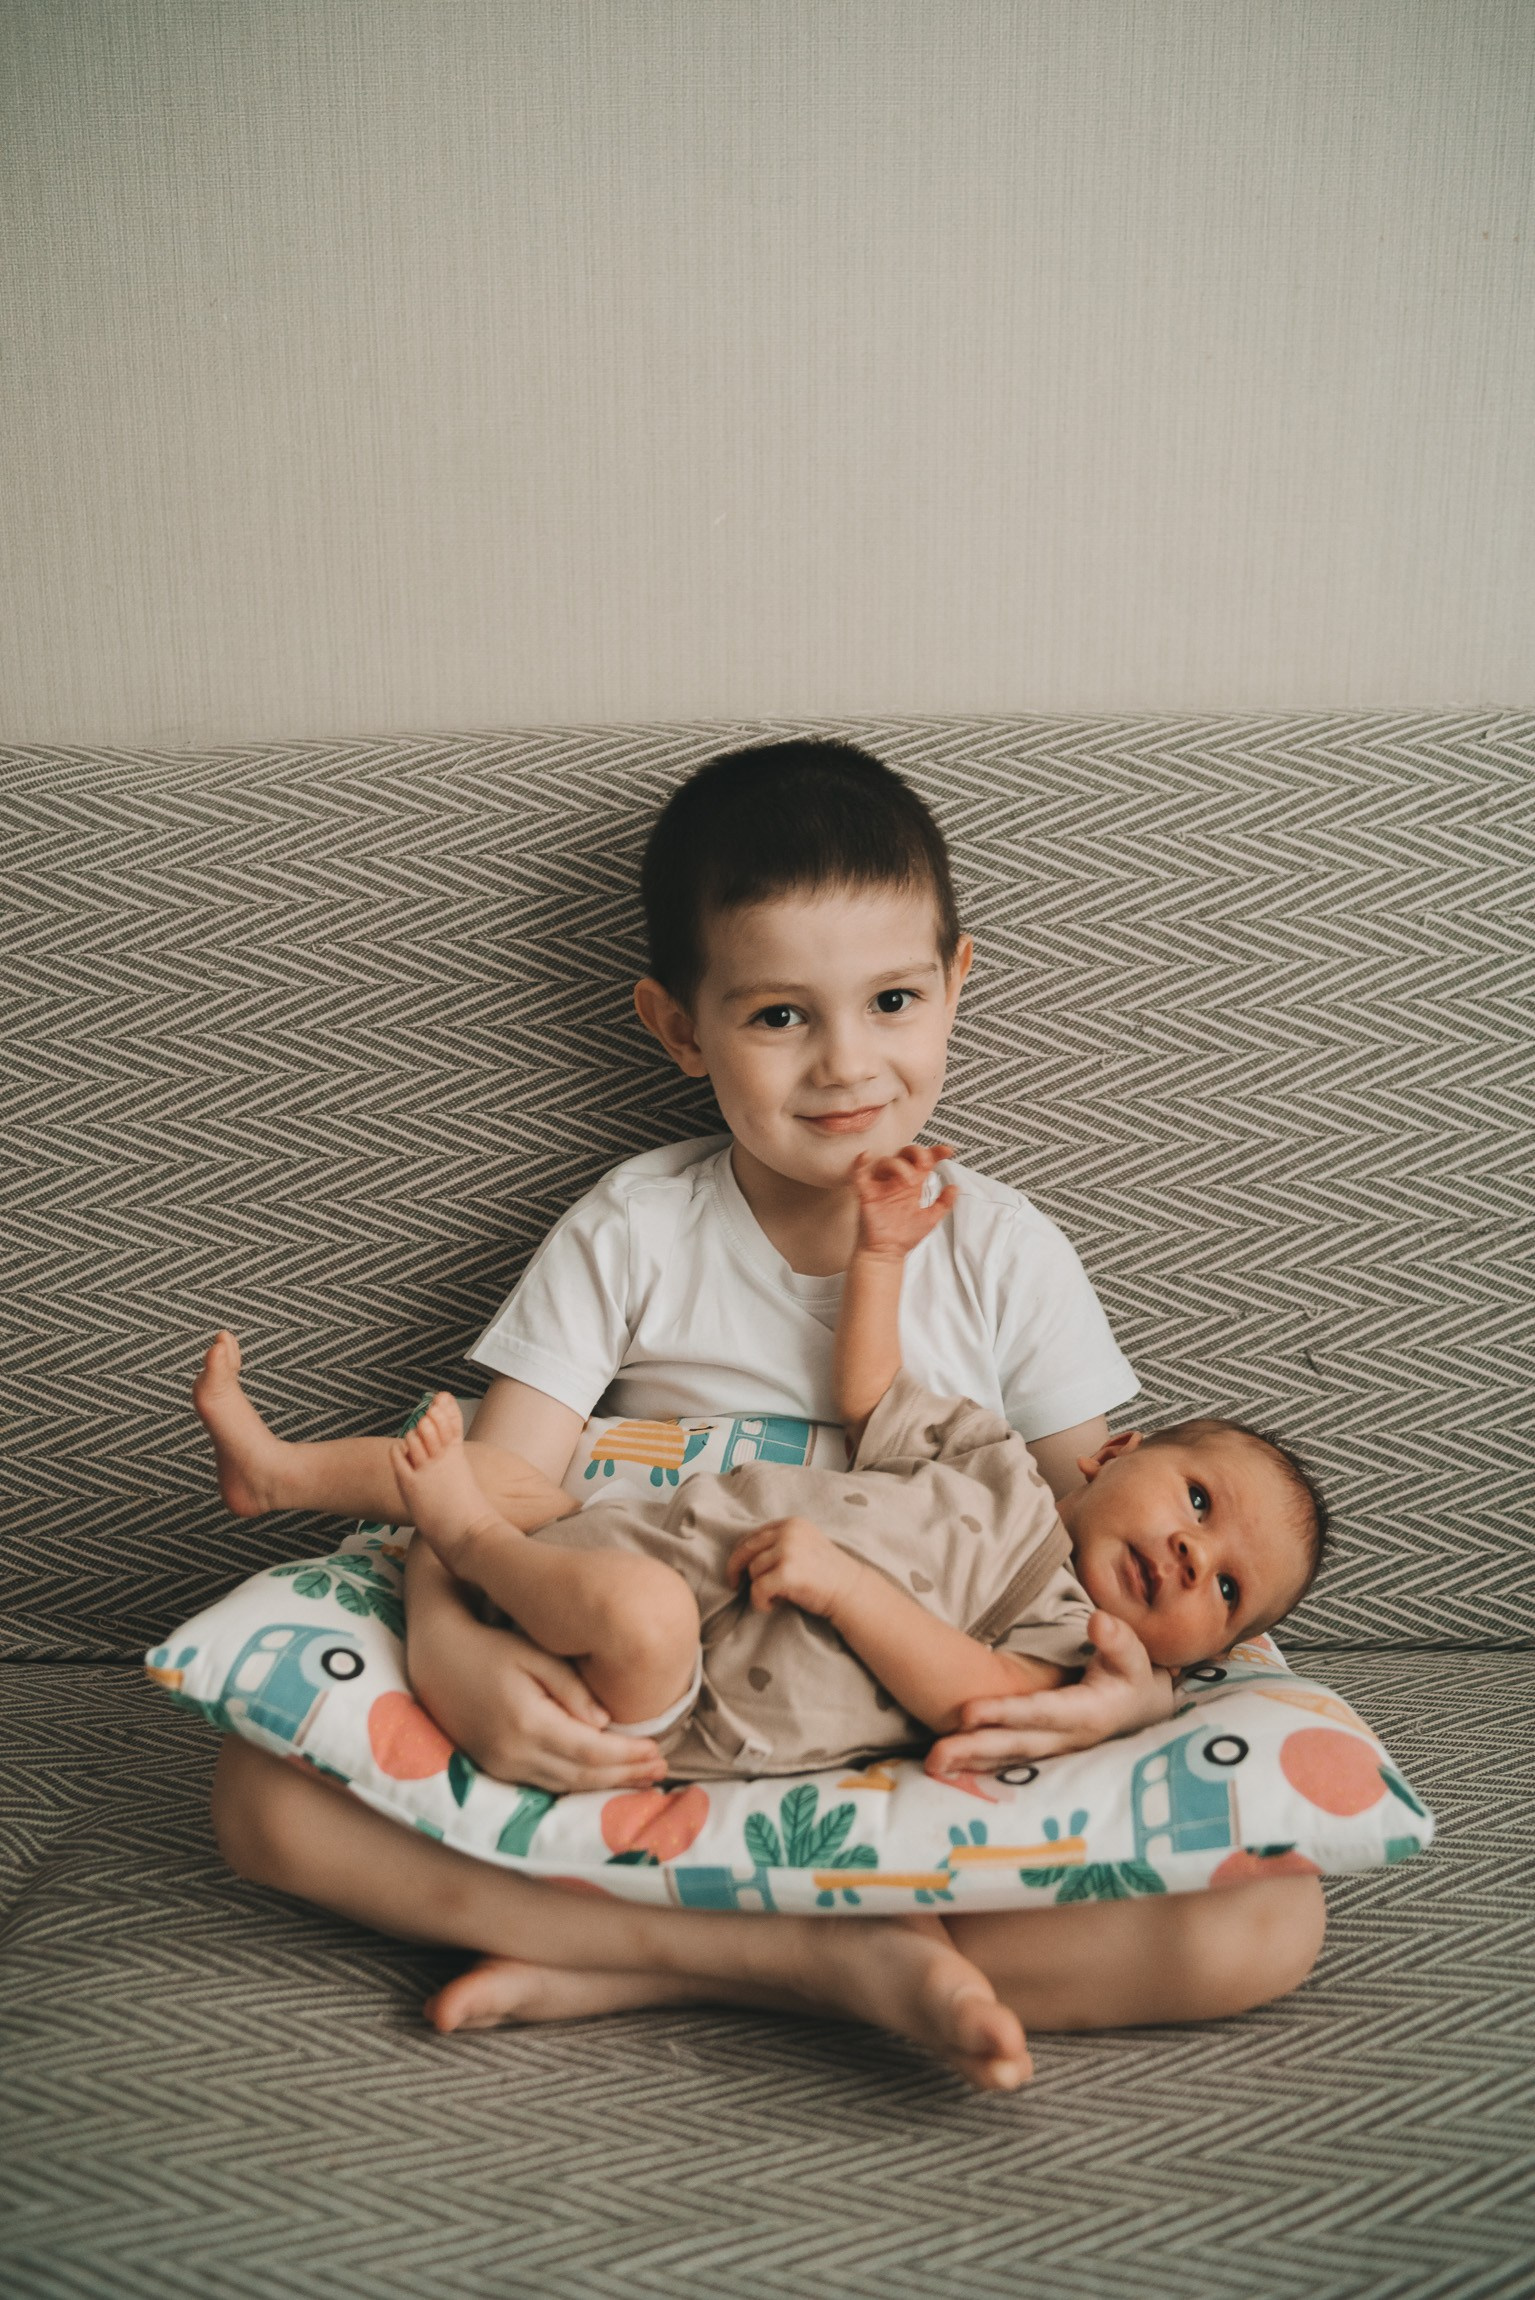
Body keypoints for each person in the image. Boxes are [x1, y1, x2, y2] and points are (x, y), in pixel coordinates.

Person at [204, 740, 1330, 2089]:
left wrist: (1119, 1695)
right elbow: (481, 1498)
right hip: (639, 1709)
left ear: (955, 982)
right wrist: (455, 1659)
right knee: (258, 1799)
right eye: (780, 1015)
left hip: (900, 1763)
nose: (848, 1065)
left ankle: (676, 1954)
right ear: (679, 1026)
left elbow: (1117, 1532)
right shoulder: (632, 1232)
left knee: (1269, 1917)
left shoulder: (1005, 1254)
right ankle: (816, 1956)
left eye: (893, 1000)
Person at [199, 1146, 1324, 1789]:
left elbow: (967, 1694)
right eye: (1197, 1502)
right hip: (650, 1532)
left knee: (626, 1605)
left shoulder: (1075, 1651)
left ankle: (465, 1545)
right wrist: (878, 1256)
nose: (1192, 1556)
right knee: (506, 1475)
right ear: (1115, 1452)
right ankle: (282, 1474)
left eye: (1227, 1589)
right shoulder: (992, 1457)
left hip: (684, 1680)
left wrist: (846, 1587)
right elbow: (869, 1392)